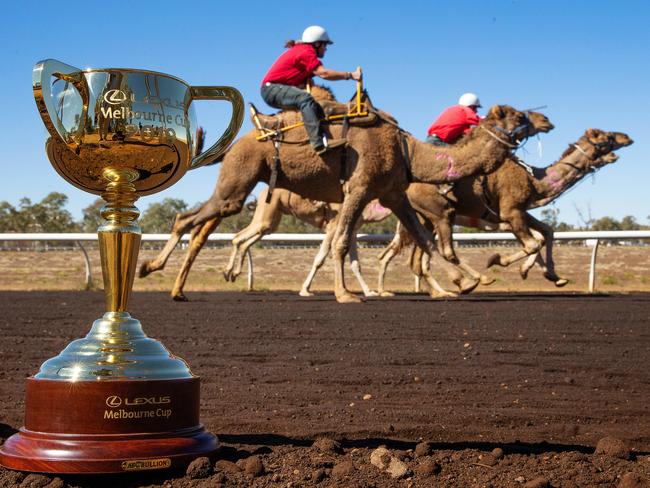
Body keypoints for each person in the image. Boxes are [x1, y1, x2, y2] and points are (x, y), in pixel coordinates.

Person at [261, 25, 362, 155]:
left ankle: (325, 137)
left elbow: (310, 80)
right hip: (271, 90)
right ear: (317, 43)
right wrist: (350, 75)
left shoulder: (303, 51)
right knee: (305, 99)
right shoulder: (306, 52)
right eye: (325, 45)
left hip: (275, 89)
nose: (326, 49)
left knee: (315, 105)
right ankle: (318, 143)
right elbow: (324, 73)